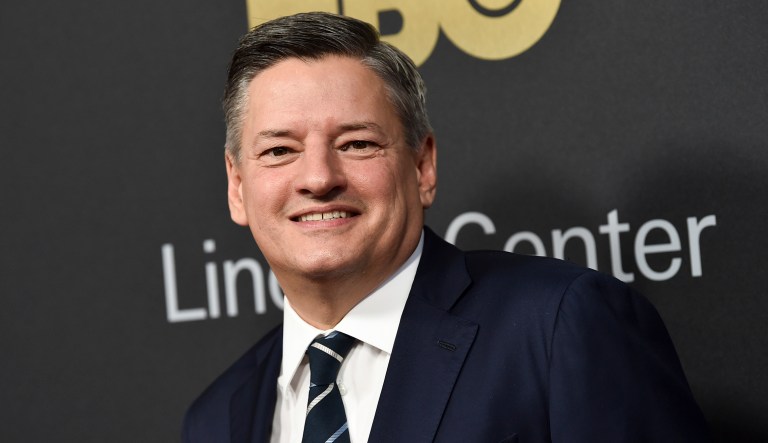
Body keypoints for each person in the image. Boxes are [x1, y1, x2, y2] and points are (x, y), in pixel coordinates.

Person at [183, 11, 709, 443]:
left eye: (357, 143)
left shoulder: (559, 325)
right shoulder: (215, 419)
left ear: (422, 167)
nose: (319, 178)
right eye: (279, 151)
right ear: (237, 186)